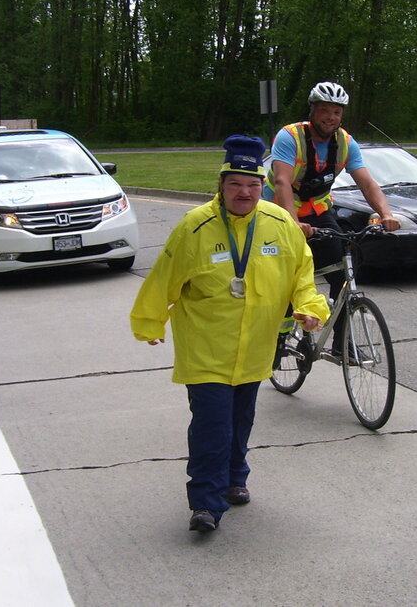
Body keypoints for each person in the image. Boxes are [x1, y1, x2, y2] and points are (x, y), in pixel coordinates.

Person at [130, 134, 330, 534]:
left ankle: (236, 476)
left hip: (256, 346)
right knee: (212, 424)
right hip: (206, 349)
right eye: (236, 184)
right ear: (220, 185)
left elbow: (301, 276)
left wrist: (309, 308)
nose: (245, 192)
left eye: (253, 185)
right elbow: (164, 277)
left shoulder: (279, 225)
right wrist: (151, 322)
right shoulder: (195, 227)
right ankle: (205, 502)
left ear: (263, 186)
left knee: (241, 418)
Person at [264, 81, 399, 356]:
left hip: (318, 211)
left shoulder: (345, 142)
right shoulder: (291, 137)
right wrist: (292, 223)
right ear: (312, 110)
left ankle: (342, 344)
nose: (331, 117)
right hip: (279, 211)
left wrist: (386, 214)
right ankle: (277, 338)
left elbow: (367, 183)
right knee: (286, 277)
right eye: (325, 110)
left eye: (336, 112)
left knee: (342, 271)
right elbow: (282, 182)